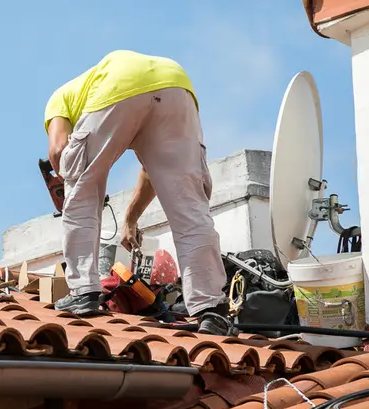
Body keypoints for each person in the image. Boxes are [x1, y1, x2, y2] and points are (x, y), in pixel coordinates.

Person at [44, 49, 232, 336]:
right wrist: (130, 218)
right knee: (189, 207)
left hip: (119, 81)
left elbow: (58, 149)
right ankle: (211, 309)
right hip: (176, 85)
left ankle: (83, 292)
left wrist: (68, 174)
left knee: (81, 188)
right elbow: (153, 172)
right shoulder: (104, 98)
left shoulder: (59, 100)